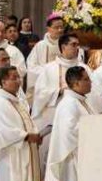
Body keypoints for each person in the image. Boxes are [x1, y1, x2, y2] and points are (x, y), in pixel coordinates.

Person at [31, 34, 91, 168]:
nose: (77, 48)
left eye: (78, 45)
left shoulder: (85, 69)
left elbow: (92, 94)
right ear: (63, 47)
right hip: (51, 116)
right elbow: (40, 94)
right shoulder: (49, 68)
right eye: (73, 45)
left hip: (77, 116)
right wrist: (59, 91)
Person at [41, 66, 94, 181]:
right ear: (75, 83)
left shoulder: (80, 101)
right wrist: (94, 128)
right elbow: (69, 132)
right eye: (86, 79)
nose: (91, 82)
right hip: (71, 161)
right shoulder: (69, 104)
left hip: (81, 157)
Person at [26, 13, 67, 99]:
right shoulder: (40, 46)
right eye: (56, 27)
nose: (60, 30)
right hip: (45, 87)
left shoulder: (67, 45)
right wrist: (49, 72)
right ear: (48, 29)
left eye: (62, 27)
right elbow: (31, 67)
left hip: (64, 86)